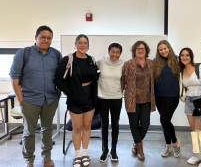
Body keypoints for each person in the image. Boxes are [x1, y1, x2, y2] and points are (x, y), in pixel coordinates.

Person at [9, 25, 62, 167]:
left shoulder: (56, 55)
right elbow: (14, 78)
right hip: (29, 100)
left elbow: (61, 76)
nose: (46, 40)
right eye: (42, 37)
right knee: (29, 132)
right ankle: (29, 159)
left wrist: (58, 93)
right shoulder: (23, 53)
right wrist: (21, 100)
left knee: (47, 129)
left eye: (49, 38)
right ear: (36, 37)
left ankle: (47, 157)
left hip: (50, 99)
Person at [55, 34, 98, 167]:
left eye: (85, 43)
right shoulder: (68, 60)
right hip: (75, 99)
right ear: (75, 44)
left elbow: (95, 78)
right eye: (80, 42)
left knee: (87, 126)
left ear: (88, 45)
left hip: (90, 98)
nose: (82, 45)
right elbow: (58, 79)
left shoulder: (91, 59)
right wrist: (70, 93)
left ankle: (85, 154)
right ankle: (77, 156)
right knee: (77, 127)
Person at [121, 40, 156, 161]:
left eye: (143, 49)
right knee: (134, 124)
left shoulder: (151, 64)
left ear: (146, 51)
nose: (140, 50)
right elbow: (122, 81)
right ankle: (140, 150)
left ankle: (136, 144)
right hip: (132, 99)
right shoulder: (128, 64)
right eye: (138, 49)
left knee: (145, 125)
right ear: (134, 51)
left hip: (146, 99)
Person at [179, 47, 201, 167]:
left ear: (192, 56)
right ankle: (198, 154)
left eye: (187, 55)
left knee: (200, 131)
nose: (184, 57)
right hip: (188, 100)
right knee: (194, 131)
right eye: (182, 55)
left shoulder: (200, 67)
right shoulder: (182, 70)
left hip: (199, 100)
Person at [153, 40, 181, 158]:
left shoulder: (177, 60)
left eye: (165, 48)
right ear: (158, 51)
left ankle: (175, 143)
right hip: (158, 95)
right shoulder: (155, 62)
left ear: (169, 48)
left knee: (164, 120)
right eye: (160, 50)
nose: (163, 51)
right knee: (164, 120)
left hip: (172, 95)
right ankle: (168, 146)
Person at [97, 43, 124, 163]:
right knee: (104, 124)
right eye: (112, 51)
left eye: (117, 52)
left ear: (120, 54)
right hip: (102, 97)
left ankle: (113, 150)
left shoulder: (123, 64)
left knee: (115, 125)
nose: (115, 54)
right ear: (108, 52)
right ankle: (104, 150)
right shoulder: (101, 61)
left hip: (117, 97)